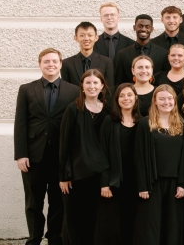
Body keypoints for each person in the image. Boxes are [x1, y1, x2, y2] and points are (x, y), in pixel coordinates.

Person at [14, 48, 78, 245]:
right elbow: (21, 123)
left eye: (54, 61)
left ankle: (54, 239)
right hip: (33, 157)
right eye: (46, 61)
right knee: (33, 203)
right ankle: (34, 239)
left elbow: (75, 126)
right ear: (40, 64)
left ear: (60, 64)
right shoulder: (26, 89)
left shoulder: (73, 90)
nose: (51, 65)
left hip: (60, 157)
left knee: (58, 202)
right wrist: (21, 154)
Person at [59, 69, 111, 244]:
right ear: (81, 86)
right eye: (88, 83)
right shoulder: (73, 109)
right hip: (77, 175)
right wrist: (64, 177)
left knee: (95, 220)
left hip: (99, 175)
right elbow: (64, 145)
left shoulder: (108, 111)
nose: (92, 86)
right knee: (75, 220)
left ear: (102, 86)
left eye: (96, 83)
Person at [133, 84, 184, 245]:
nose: (166, 102)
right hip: (152, 183)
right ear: (155, 101)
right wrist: (142, 185)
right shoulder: (145, 124)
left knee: (172, 227)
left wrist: (182, 184)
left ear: (175, 101)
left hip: (175, 184)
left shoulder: (181, 124)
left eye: (170, 98)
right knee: (150, 227)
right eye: (162, 99)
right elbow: (139, 156)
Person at [94, 83, 142, 245]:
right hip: (114, 183)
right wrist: (104, 184)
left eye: (129, 95)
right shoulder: (109, 121)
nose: (126, 98)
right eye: (122, 96)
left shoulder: (142, 122)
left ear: (136, 98)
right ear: (117, 99)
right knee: (111, 227)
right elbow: (102, 154)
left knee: (132, 224)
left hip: (135, 183)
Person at [115, 14, 169, 85]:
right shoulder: (123, 54)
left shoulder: (163, 54)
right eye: (140, 26)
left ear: (152, 29)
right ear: (134, 27)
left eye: (147, 27)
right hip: (131, 94)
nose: (143, 29)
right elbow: (119, 83)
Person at [62, 21, 115, 88]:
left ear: (96, 38)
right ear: (76, 38)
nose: (86, 39)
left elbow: (109, 91)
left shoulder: (106, 62)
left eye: (90, 35)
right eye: (82, 35)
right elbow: (66, 89)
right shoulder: (66, 63)